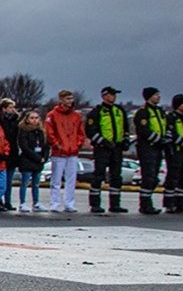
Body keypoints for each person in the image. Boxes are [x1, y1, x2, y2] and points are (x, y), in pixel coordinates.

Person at [85, 86, 129, 214]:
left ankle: (115, 204)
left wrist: (125, 141)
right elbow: (91, 131)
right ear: (104, 96)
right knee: (98, 176)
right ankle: (95, 204)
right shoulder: (96, 112)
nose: (114, 97)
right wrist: (103, 142)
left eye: (115, 94)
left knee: (116, 176)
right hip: (102, 149)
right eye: (111, 94)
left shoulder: (119, 111)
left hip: (117, 148)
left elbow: (125, 128)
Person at [44, 89, 85, 214]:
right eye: (68, 99)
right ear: (61, 100)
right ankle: (54, 203)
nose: (70, 101)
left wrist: (77, 145)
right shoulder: (52, 115)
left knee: (71, 179)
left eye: (71, 99)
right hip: (59, 152)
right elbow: (49, 132)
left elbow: (80, 132)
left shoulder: (76, 116)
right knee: (56, 179)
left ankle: (69, 203)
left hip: (72, 151)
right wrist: (57, 144)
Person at [133, 86, 169, 215]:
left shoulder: (160, 111)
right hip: (147, 148)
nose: (158, 97)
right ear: (149, 97)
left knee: (154, 178)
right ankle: (145, 204)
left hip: (158, 148)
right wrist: (158, 139)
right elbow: (144, 130)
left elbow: (166, 126)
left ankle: (148, 202)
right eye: (156, 95)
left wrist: (165, 139)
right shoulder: (143, 112)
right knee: (148, 177)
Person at [11, 109, 48, 213]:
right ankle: (22, 203)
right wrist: (36, 157)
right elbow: (24, 147)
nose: (34, 120)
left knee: (36, 184)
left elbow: (46, 146)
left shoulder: (41, 132)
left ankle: (36, 203)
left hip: (39, 162)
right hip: (27, 161)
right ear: (27, 119)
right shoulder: (23, 131)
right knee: (25, 182)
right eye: (32, 118)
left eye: (36, 118)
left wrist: (44, 157)